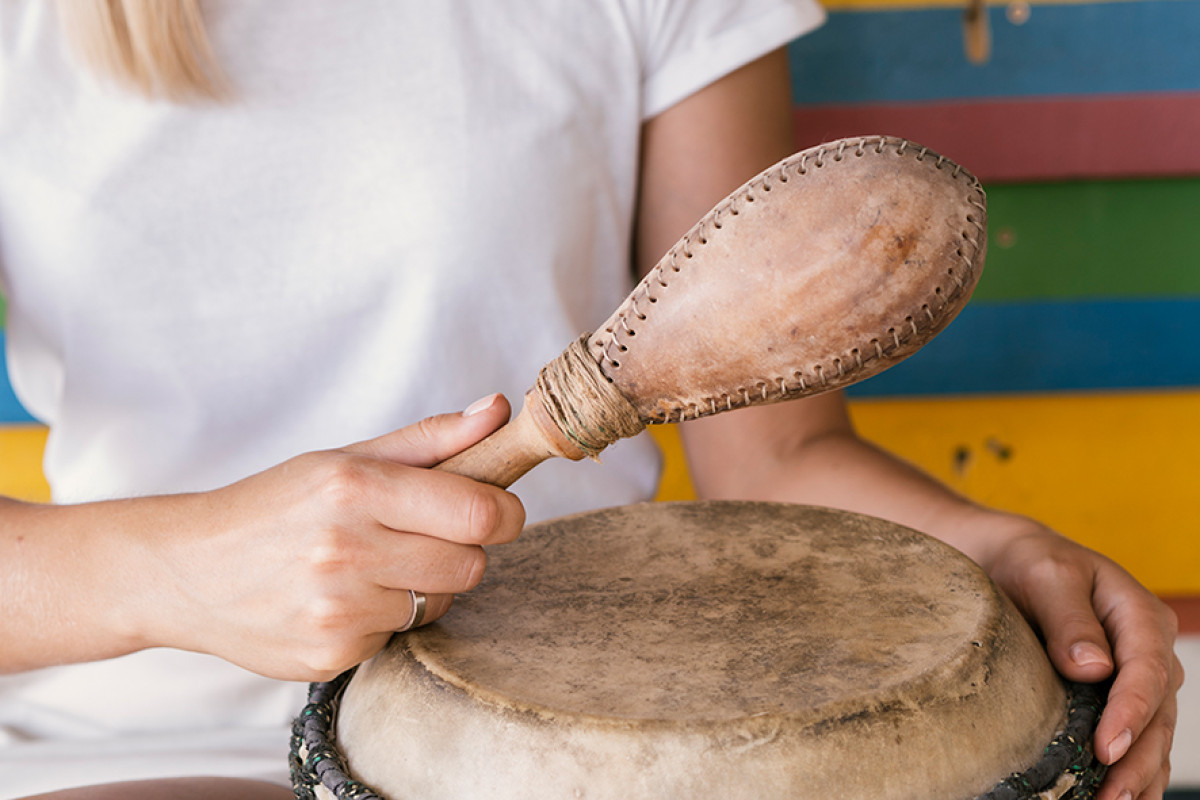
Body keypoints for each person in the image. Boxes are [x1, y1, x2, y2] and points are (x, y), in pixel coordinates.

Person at [0, 1, 1180, 798]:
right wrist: (173, 569)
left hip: (614, 752)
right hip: (142, 737)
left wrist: (1002, 548)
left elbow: (768, 453)